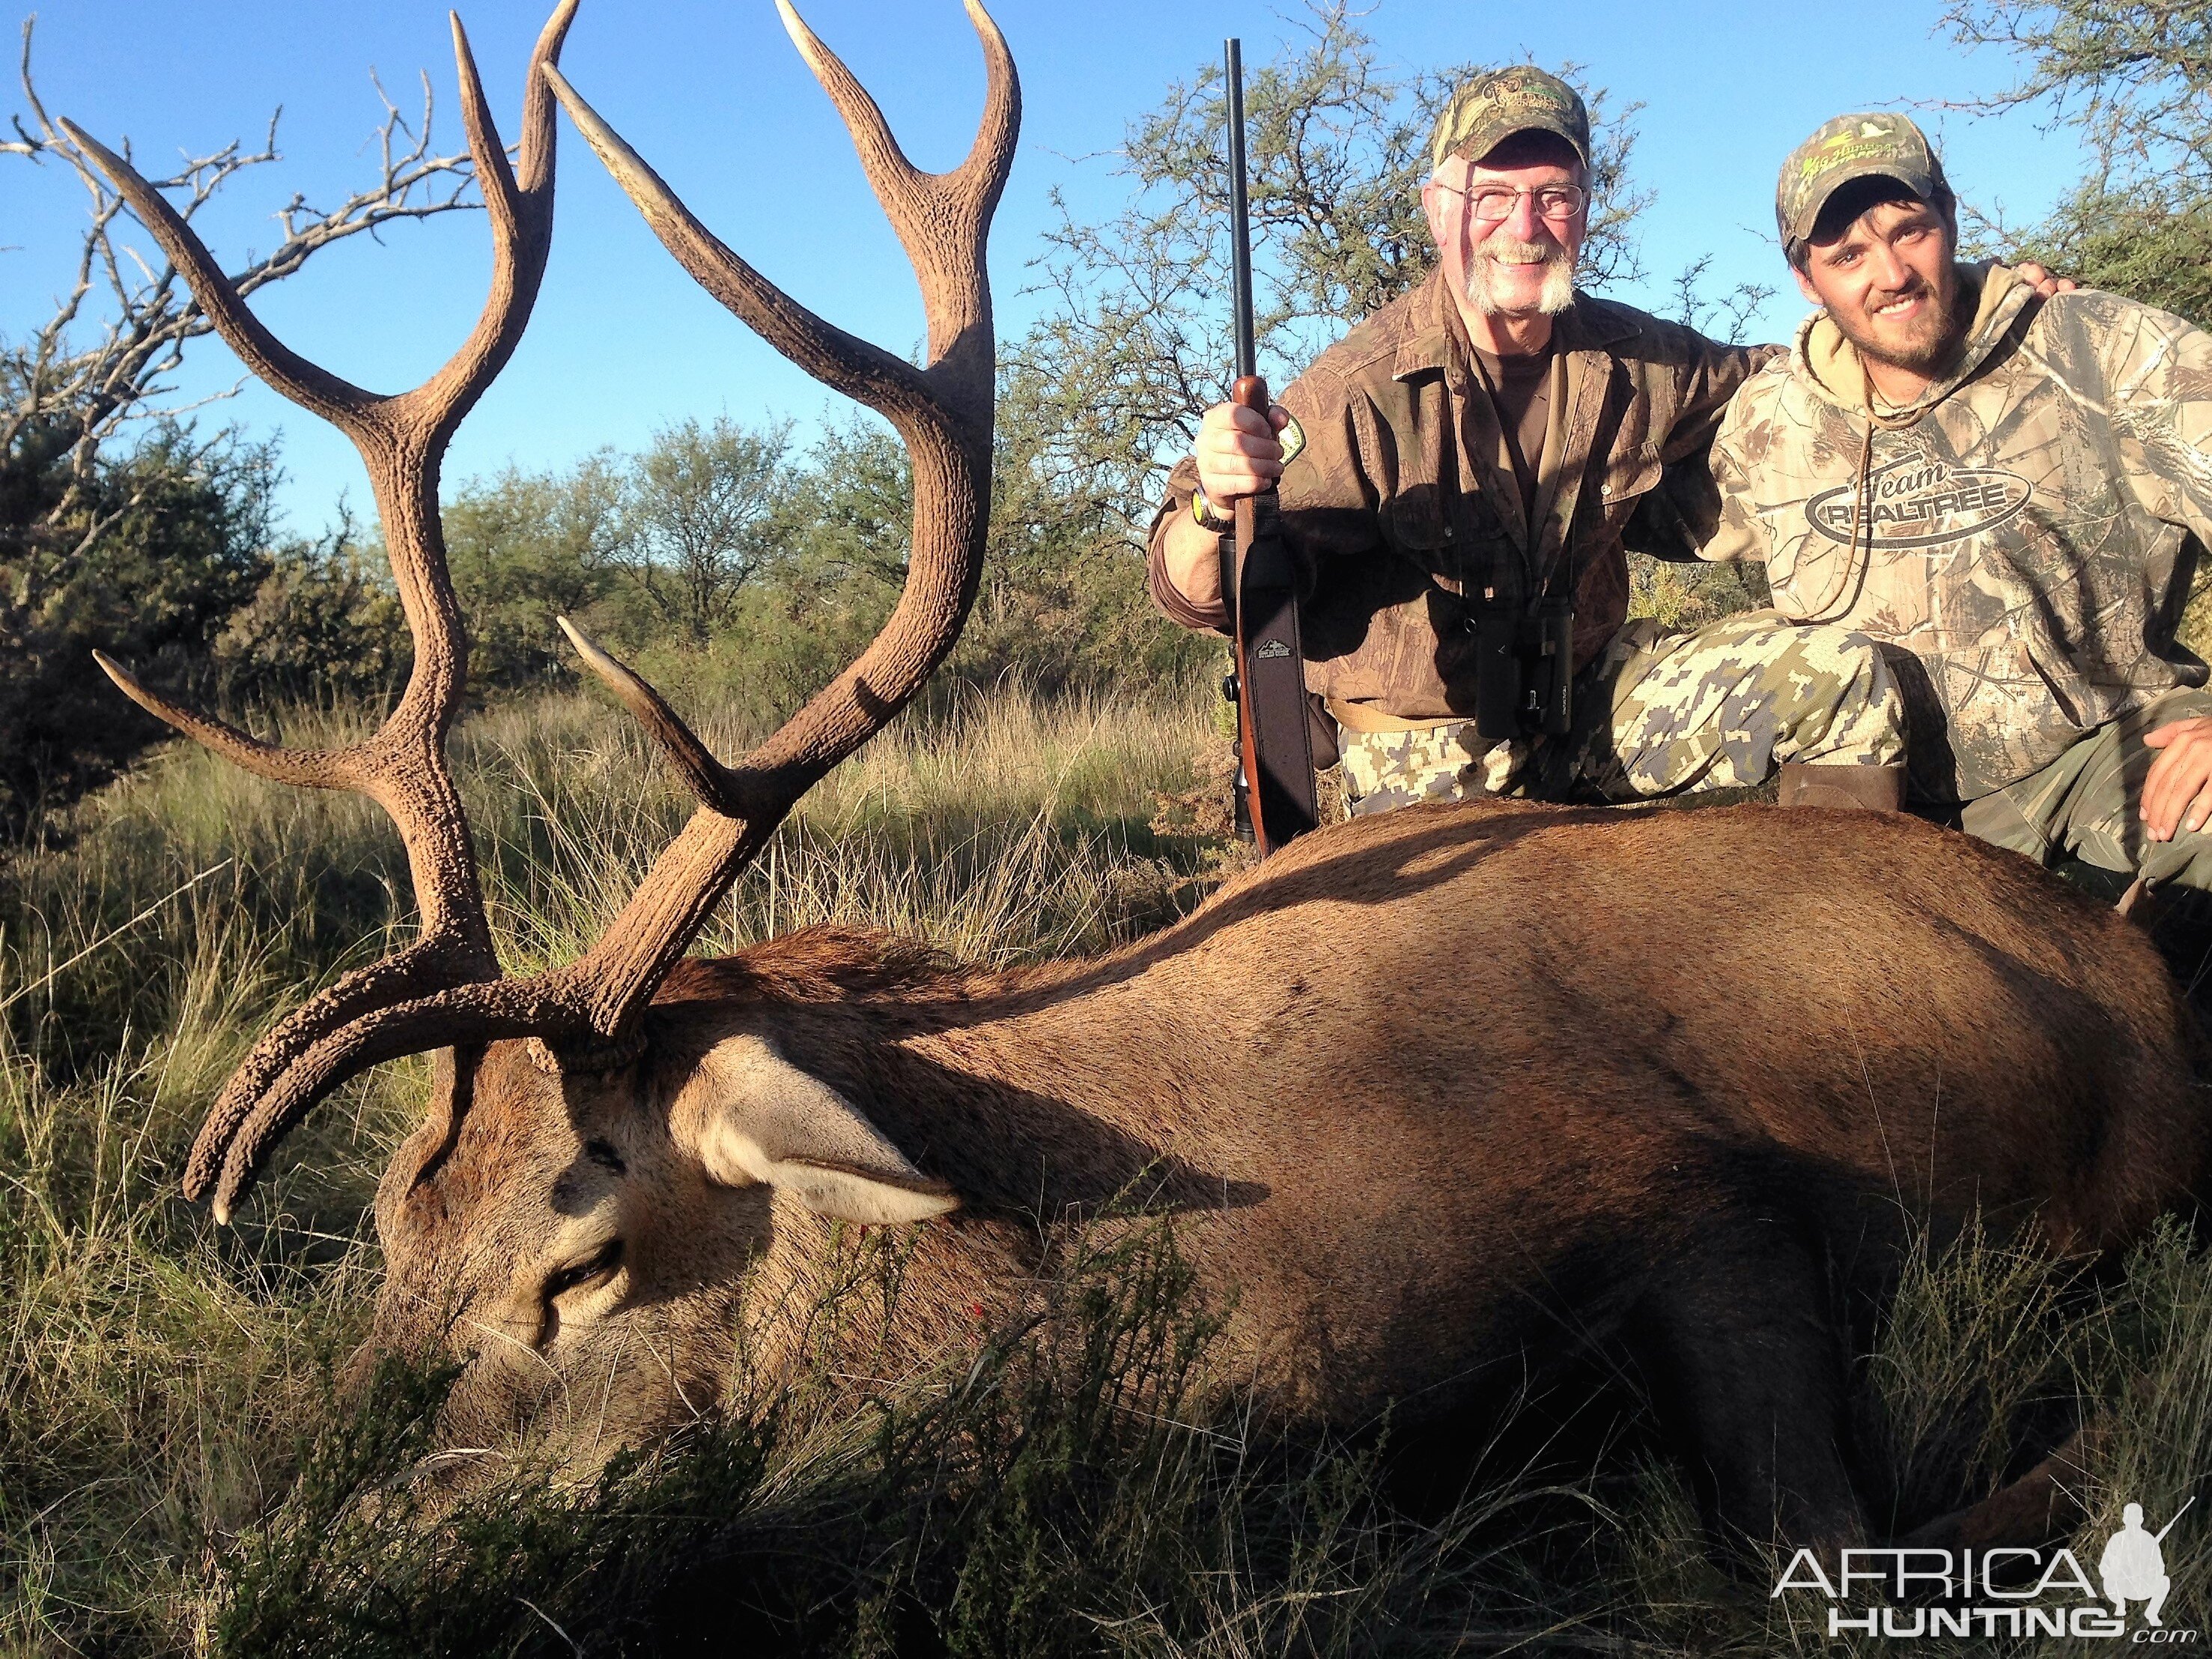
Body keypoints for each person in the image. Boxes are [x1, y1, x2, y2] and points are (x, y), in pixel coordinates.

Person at [1149, 67, 1916, 815]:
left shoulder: (1636, 353)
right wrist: (1215, 506)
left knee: (1836, 676)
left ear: (1584, 210)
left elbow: (1797, 373)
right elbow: (1190, 586)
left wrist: (1976, 302)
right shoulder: (1355, 389)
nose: (1524, 228)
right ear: (1435, 209)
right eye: (1491, 196)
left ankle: (1834, 930)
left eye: (1553, 196)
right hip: (1430, 745)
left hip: (1586, 699)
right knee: (1467, 942)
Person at [1703, 112, 2212, 897]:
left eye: (1908, 231)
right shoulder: (1768, 422)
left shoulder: (2100, 347)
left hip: (2105, 756)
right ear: (1806, 279)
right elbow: (1627, 510)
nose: (1890, 274)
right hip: (1888, 812)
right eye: (1847, 256)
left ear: (1948, 214)